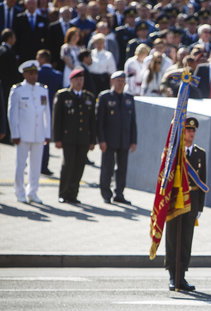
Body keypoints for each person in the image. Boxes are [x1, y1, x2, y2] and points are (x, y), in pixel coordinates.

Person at [164, 117, 206, 292]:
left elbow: (203, 181)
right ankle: (173, 276)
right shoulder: (174, 152)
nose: (191, 133)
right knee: (173, 239)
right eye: (188, 130)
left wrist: (200, 208)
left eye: (193, 130)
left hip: (192, 204)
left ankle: (182, 276)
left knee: (186, 240)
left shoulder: (200, 154)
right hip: (176, 202)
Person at [8, 60, 50, 203]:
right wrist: (15, 133)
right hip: (23, 134)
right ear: (24, 74)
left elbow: (47, 113)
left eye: (35, 73)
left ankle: (32, 191)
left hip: (38, 133)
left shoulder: (42, 89)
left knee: (36, 165)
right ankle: (19, 191)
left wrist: (47, 133)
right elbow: (12, 114)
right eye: (30, 73)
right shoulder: (18, 90)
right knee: (21, 164)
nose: (33, 76)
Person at [52, 67, 96, 204]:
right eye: (77, 79)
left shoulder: (88, 97)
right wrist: (57, 138)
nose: (79, 82)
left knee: (79, 167)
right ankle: (63, 193)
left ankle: (73, 194)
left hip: (83, 138)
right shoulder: (63, 95)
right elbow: (57, 119)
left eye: (81, 79)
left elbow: (92, 121)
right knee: (68, 166)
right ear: (71, 80)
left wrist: (92, 140)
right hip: (68, 137)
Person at [96, 70, 137, 204]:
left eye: (122, 81)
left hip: (124, 139)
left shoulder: (129, 99)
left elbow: (133, 122)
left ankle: (119, 193)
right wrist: (101, 140)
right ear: (112, 81)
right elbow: (99, 121)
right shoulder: (105, 97)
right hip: (109, 139)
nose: (120, 84)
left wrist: (133, 140)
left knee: (122, 168)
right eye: (118, 81)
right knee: (107, 167)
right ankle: (106, 194)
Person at [36, 49, 62, 177]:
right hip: (51, 109)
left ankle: (32, 163)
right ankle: (44, 165)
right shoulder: (57, 74)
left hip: (35, 108)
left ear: (42, 59)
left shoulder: (37, 73)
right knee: (46, 136)